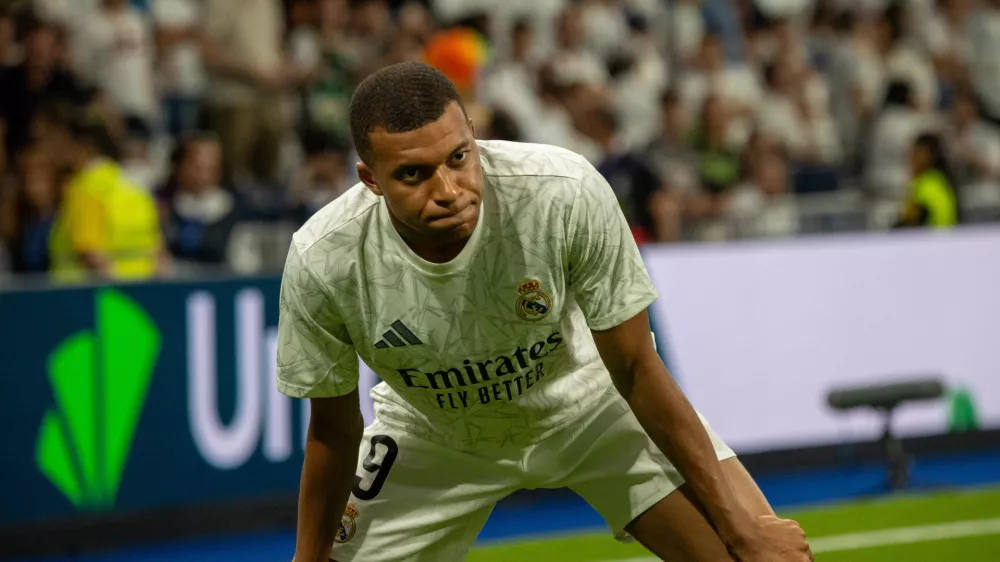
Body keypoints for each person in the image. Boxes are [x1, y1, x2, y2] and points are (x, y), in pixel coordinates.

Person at [276, 62, 812, 562]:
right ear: (370, 179)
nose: (448, 190)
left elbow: (635, 368)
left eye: (459, 158)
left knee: (752, 552)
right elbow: (332, 430)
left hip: (588, 406)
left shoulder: (561, 192)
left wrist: (739, 525)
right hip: (433, 434)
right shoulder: (325, 258)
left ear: (473, 137)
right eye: (414, 175)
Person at [895, 133, 959, 229]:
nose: (911, 157)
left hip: (932, 241)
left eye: (916, 152)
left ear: (928, 156)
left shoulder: (929, 185)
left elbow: (913, 223)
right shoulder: (938, 181)